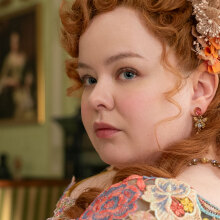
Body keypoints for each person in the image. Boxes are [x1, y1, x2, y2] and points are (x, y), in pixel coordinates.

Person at [49, 0, 220, 219]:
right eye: (89, 79)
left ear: (200, 90)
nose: (96, 99)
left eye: (127, 73)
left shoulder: (142, 203)